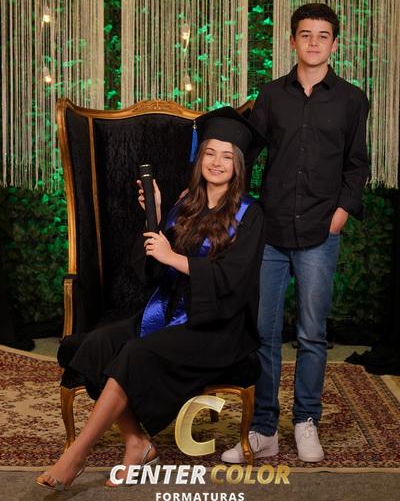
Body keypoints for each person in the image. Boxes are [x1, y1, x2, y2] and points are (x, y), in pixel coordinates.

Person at [36, 107, 266, 491]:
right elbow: (152, 269)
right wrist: (155, 216)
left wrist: (174, 257)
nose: (216, 162)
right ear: (200, 157)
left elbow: (234, 280)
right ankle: (137, 442)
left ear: (238, 165)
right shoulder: (186, 204)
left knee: (133, 353)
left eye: (227, 156)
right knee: (97, 344)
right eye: (210, 152)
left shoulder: (250, 213)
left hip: (217, 325)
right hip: (169, 311)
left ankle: (76, 455)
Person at [222, 3, 369, 464]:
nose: (313, 42)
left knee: (311, 333)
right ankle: (264, 428)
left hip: (321, 231)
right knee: (263, 332)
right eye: (305, 34)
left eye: (322, 35)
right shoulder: (270, 95)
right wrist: (231, 202)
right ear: (292, 41)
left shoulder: (351, 99)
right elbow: (246, 156)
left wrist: (340, 213)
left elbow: (357, 164)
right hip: (270, 232)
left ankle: (306, 421)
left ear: (334, 44)